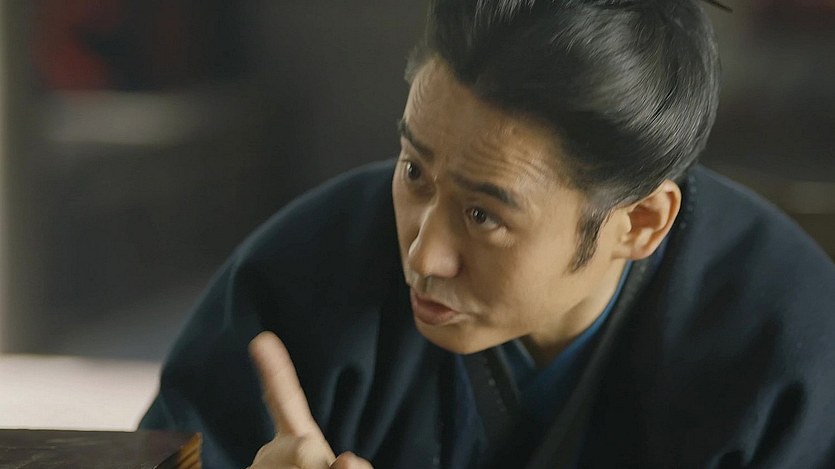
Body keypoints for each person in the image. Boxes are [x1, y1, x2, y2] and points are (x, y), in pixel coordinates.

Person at [140, 1, 835, 468]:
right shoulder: (304, 274)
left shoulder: (789, 355)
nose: (423, 254)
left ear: (639, 223)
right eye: (415, 171)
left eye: (483, 215)